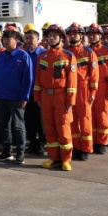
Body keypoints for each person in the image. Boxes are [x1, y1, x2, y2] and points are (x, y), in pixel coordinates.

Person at [34, 24, 77, 171]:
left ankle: (65, 159)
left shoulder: (68, 56)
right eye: (49, 35)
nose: (51, 38)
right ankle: (54, 158)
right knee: (50, 129)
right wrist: (38, 98)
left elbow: (72, 81)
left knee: (63, 128)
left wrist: (70, 101)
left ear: (60, 38)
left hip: (61, 96)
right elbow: (38, 79)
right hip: (46, 96)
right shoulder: (42, 57)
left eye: (54, 36)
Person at [0, 27, 33, 164]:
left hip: (16, 98)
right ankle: (6, 151)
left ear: (16, 40)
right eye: (3, 39)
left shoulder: (23, 56)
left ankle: (20, 153)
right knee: (4, 125)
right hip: (2, 96)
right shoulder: (1, 56)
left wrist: (24, 97)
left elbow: (27, 79)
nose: (5, 41)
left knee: (18, 126)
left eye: (8, 39)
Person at [65, 23, 98, 161]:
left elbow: (94, 75)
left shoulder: (89, 53)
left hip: (84, 89)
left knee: (85, 120)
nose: (73, 35)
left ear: (81, 35)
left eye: (75, 33)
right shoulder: (65, 52)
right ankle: (76, 147)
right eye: (70, 33)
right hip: (69, 90)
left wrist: (93, 93)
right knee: (72, 121)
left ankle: (86, 148)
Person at [86, 24, 108, 154]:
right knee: (90, 116)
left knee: (102, 115)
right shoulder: (85, 51)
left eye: (95, 34)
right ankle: (92, 141)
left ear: (100, 36)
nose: (92, 37)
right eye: (90, 35)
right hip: (88, 87)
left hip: (103, 87)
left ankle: (102, 142)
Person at [23, 24, 47, 156]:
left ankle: (42, 144)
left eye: (31, 38)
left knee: (40, 120)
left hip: (40, 93)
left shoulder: (43, 54)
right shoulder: (23, 54)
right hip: (27, 93)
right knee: (29, 119)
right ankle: (32, 142)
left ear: (38, 39)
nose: (29, 41)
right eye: (27, 38)